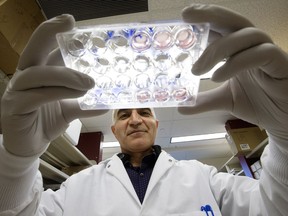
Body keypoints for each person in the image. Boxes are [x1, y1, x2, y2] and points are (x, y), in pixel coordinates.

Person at [0, 3, 287, 216]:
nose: (135, 119)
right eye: (124, 115)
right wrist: (17, 160)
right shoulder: (76, 188)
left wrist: (285, 136)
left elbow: (274, 208)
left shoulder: (205, 178)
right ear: (114, 130)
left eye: (145, 112)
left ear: (156, 124)